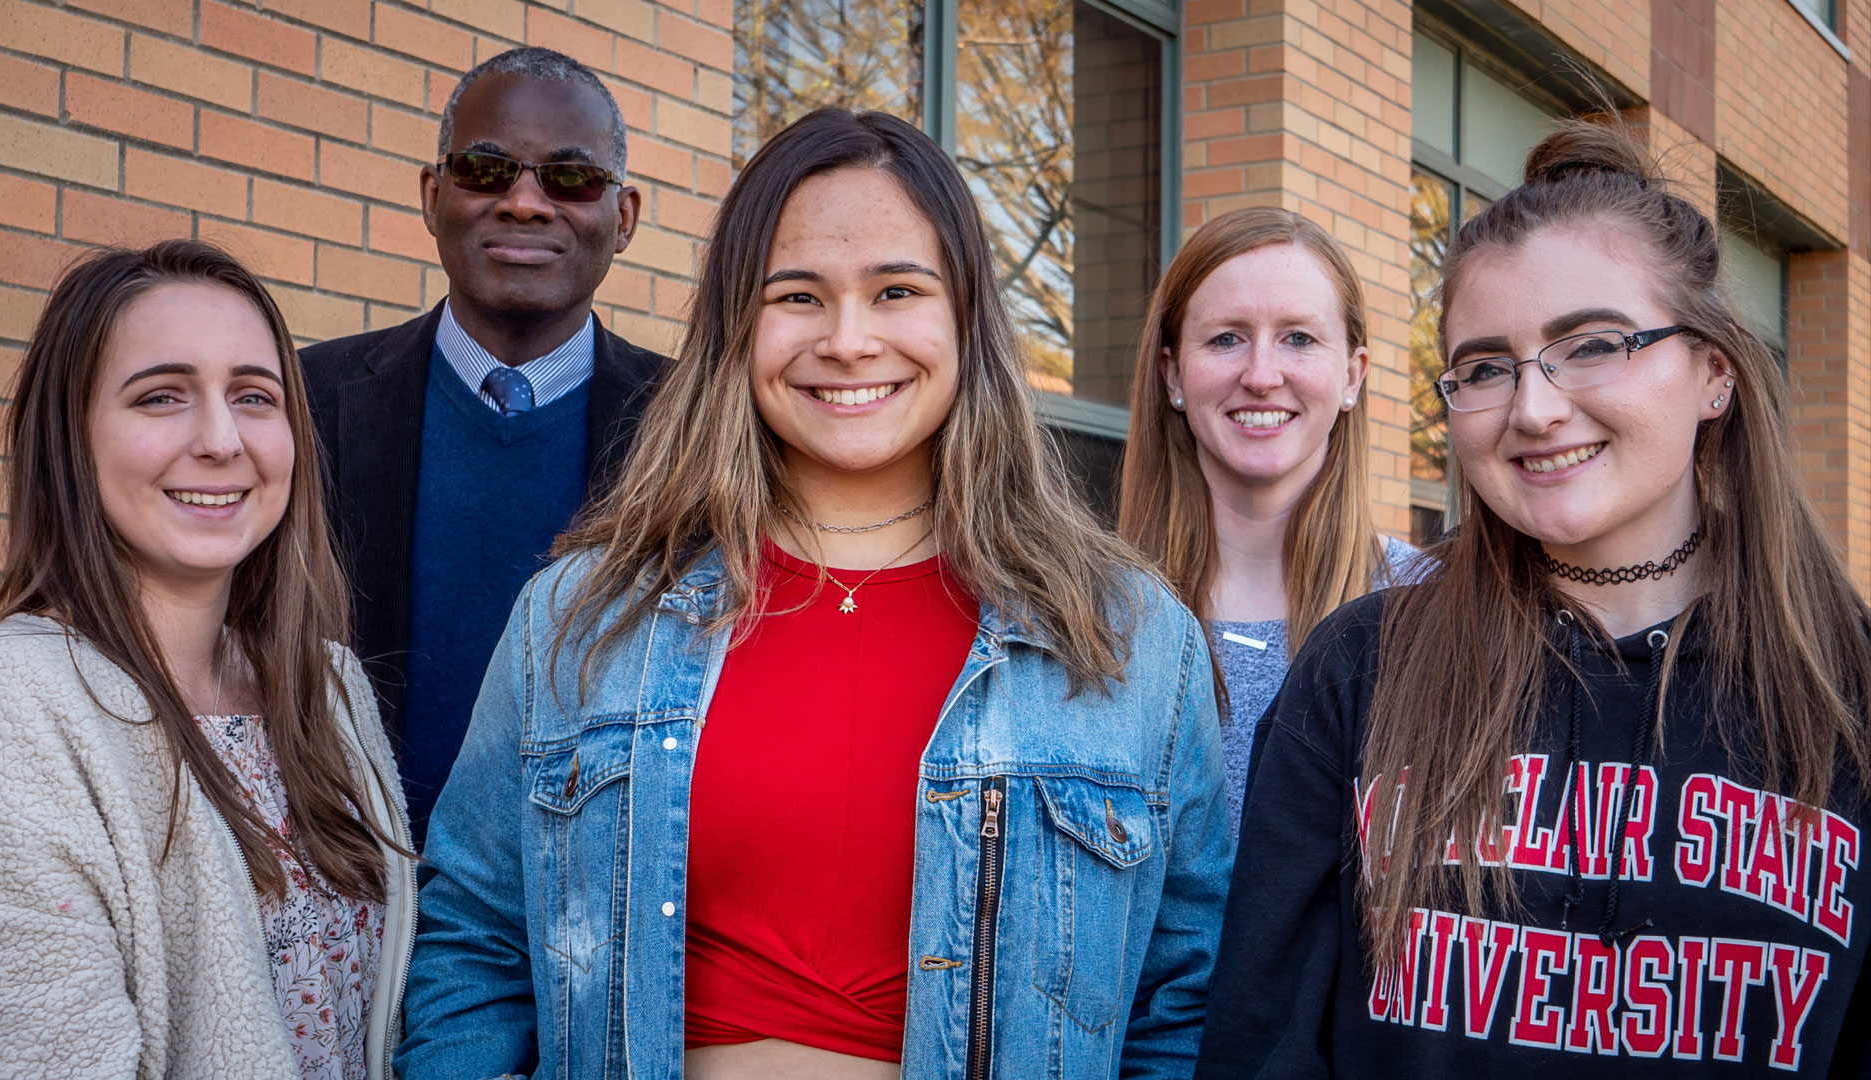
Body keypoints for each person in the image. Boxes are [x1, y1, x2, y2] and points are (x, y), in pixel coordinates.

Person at [395, 108, 1230, 1080]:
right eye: (797, 294)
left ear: (966, 319)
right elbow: (474, 949)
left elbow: (1183, 1005)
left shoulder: (1128, 638)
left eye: (895, 291)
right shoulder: (581, 618)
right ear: (737, 327)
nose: (847, 339)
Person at [1196, 120, 1871, 1076]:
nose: (1534, 408)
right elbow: (1260, 1048)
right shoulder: (1361, 669)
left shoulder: (1847, 689)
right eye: (1485, 367)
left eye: (1591, 344)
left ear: (1714, 372)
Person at [0, 240, 415, 1080]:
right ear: (72, 436)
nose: (219, 438)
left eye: (253, 396)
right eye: (161, 396)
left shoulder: (328, 685)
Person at [299, 47, 667, 842]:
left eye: (571, 177)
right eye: (487, 170)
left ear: (625, 215)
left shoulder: (696, 427)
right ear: (435, 196)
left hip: (603, 914)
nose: (527, 203)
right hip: (351, 901)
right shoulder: (305, 403)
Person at [1118, 207, 1420, 857]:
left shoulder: (1428, 609)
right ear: (1172, 374)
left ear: (1353, 375)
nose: (1260, 374)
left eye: (1299, 339)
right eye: (1226, 338)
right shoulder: (1088, 616)